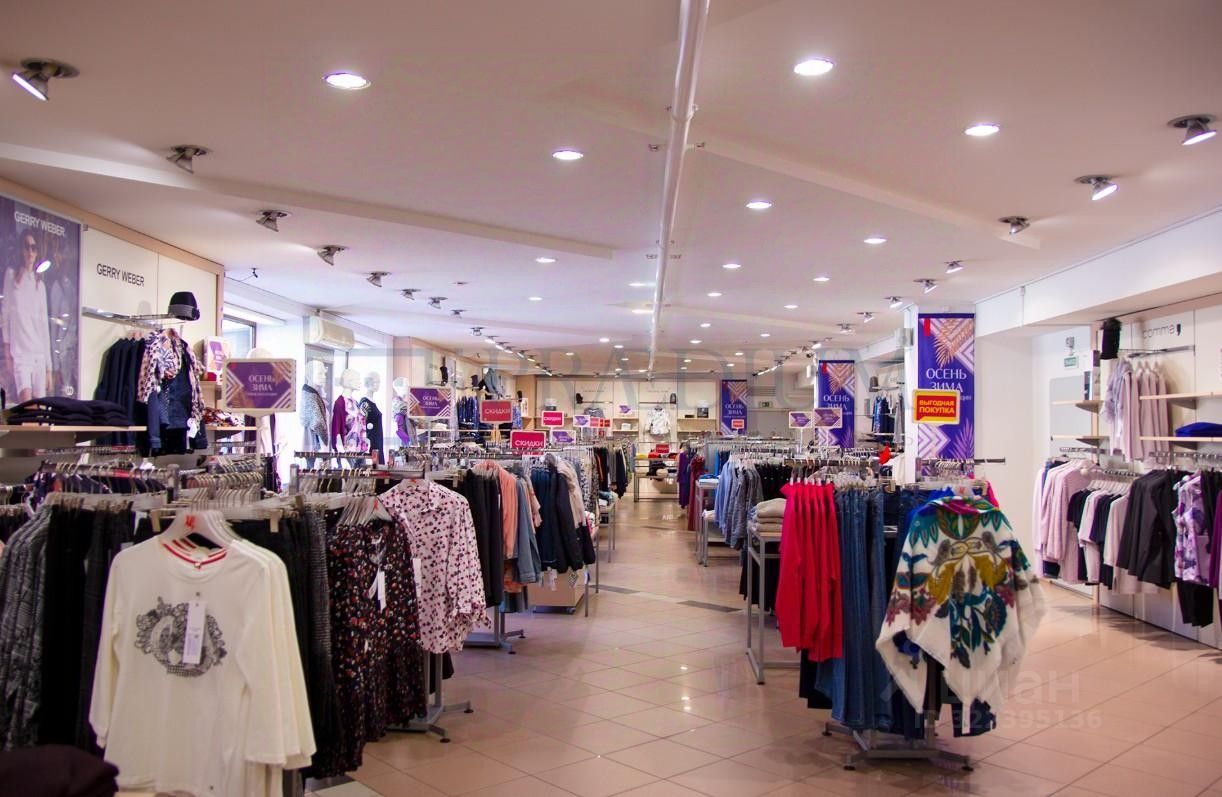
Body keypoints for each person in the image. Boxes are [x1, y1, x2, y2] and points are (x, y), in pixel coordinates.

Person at [3, 230, 53, 401]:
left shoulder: (40, 285)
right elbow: (5, 315)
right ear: (21, 249)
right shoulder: (11, 276)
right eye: (26, 247)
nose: (30, 251)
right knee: (27, 408)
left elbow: (44, 329)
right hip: (21, 355)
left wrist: (49, 369)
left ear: (37, 252)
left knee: (40, 412)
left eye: (34, 247)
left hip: (39, 354)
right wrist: (7, 352)